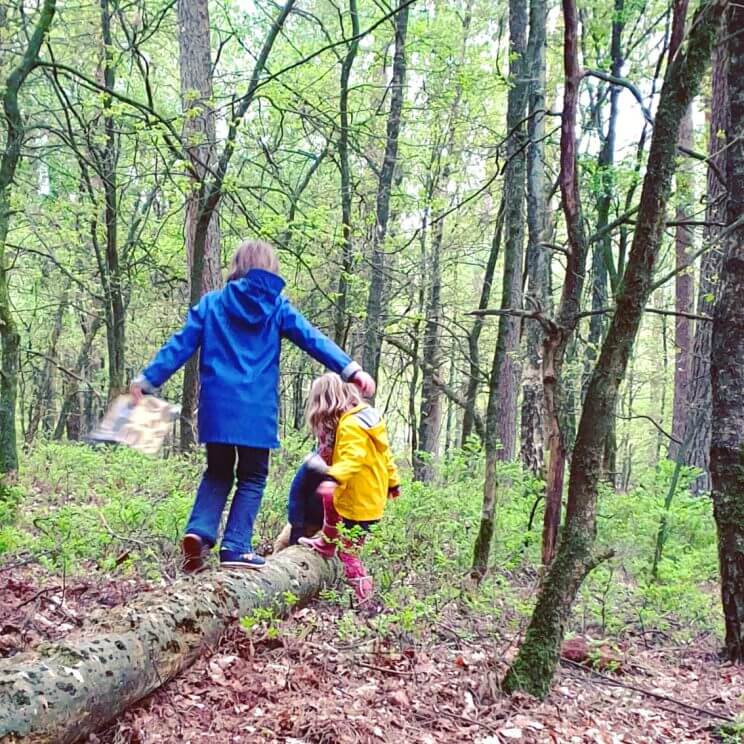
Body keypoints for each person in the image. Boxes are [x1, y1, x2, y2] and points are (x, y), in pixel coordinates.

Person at [130, 240, 375, 572]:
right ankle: (236, 546)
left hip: (217, 409)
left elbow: (180, 345)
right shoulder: (277, 308)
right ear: (271, 270)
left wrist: (147, 380)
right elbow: (312, 338)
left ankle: (198, 532)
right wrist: (351, 370)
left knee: (217, 472)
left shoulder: (212, 304)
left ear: (237, 266)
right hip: (256, 414)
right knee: (252, 477)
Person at [296, 373, 400, 601]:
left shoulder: (351, 426)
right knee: (329, 500)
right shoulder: (364, 421)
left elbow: (353, 457)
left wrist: (334, 478)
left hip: (361, 503)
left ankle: (366, 597)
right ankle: (327, 542)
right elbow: (386, 455)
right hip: (365, 497)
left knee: (349, 553)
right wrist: (393, 482)